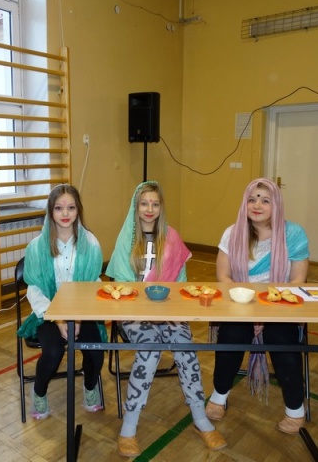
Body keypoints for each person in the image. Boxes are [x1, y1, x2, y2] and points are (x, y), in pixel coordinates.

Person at [106, 180, 227, 457]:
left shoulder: (171, 237)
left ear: (161, 208)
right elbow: (121, 286)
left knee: (186, 349)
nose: (149, 209)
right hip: (134, 312)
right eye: (144, 203)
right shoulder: (127, 239)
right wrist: (146, 309)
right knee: (150, 350)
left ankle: (200, 418)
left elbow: (180, 284)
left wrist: (167, 311)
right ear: (136, 207)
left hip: (169, 309)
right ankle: (129, 428)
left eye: (155, 204)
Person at [206, 178, 310, 434]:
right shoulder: (232, 233)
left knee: (282, 340)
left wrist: (269, 308)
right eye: (252, 199)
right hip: (241, 304)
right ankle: (219, 396)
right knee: (231, 336)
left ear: (277, 204)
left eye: (265, 200)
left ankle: (295, 409)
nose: (257, 205)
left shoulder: (294, 234)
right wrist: (247, 305)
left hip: (279, 306)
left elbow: (298, 281)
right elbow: (224, 277)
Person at [17, 184, 106, 420]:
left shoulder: (91, 243)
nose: (65, 214)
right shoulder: (37, 247)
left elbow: (92, 283)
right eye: (59, 208)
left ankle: (90, 386)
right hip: (48, 313)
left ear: (78, 210)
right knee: (54, 350)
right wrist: (58, 318)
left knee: (95, 351)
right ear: (50, 211)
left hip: (82, 311)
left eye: (71, 208)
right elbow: (34, 289)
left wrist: (78, 318)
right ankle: (39, 391)